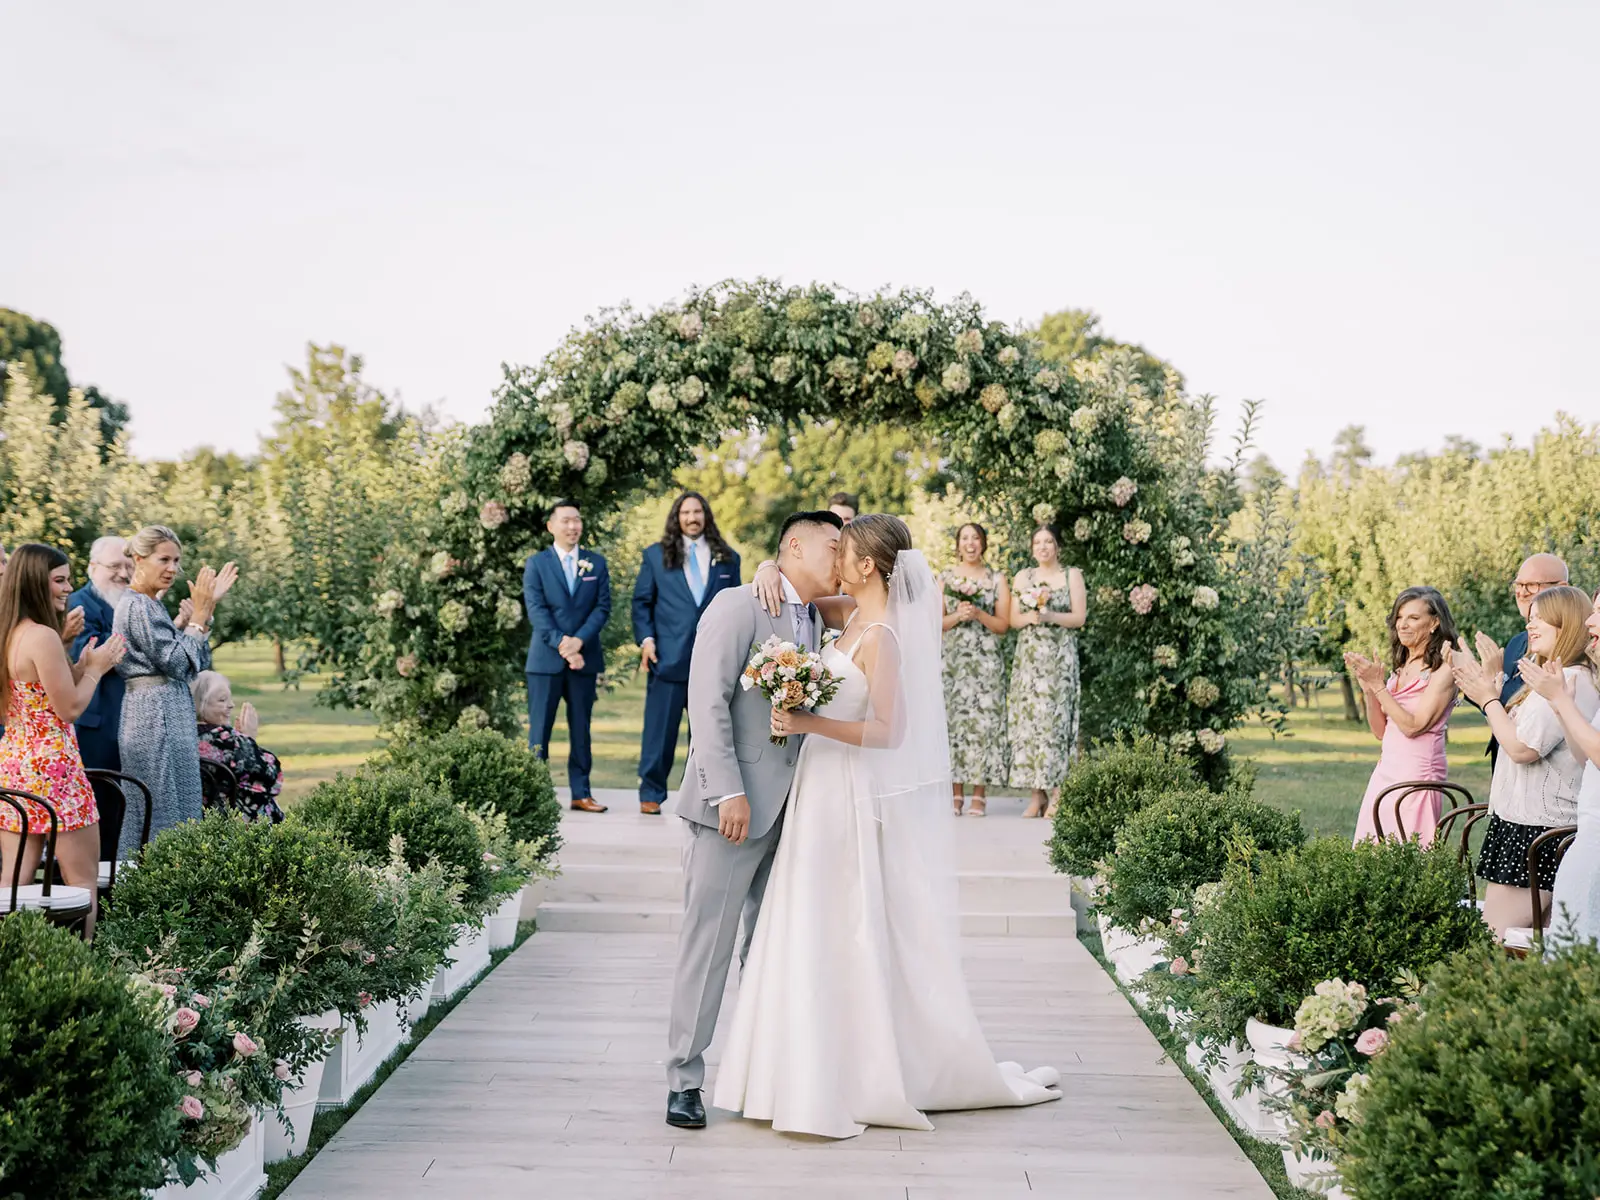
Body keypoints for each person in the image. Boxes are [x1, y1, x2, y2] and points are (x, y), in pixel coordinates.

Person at [713, 514, 1060, 1137]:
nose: (835, 560)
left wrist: (807, 723)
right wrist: (767, 565)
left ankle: (850, 1073)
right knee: (804, 920)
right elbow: (796, 583)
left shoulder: (885, 636)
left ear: (867, 565)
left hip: (846, 795)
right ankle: (787, 1069)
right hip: (815, 793)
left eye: (842, 551)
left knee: (844, 922)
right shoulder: (847, 619)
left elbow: (888, 732)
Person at [663, 509, 842, 1130]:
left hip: (796, 813)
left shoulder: (819, 617)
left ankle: (761, 1073)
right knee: (707, 947)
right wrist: (726, 792)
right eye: (831, 547)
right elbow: (705, 699)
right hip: (732, 811)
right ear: (794, 546)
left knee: (769, 949)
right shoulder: (739, 606)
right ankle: (684, 1078)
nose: (840, 559)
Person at [1453, 585, 1599, 937]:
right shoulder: (1551, 678)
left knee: (1495, 936)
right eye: (1530, 619)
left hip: (1538, 827)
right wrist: (1493, 685)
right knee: (1533, 940)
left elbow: (1522, 748)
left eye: (1541, 620)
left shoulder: (1573, 678)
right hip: (1523, 820)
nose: (1530, 627)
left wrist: (1487, 699)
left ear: (1567, 625)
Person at [0, 544, 127, 938]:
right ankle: (82, 971)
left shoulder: (9, 632)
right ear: (36, 581)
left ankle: (12, 961)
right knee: (82, 881)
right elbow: (69, 708)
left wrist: (79, 665)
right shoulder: (42, 636)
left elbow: (41, 692)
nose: (68, 588)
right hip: (56, 773)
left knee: (14, 880)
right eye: (59, 580)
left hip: (16, 768)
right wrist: (98, 669)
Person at [114, 525, 237, 856]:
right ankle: (153, 889)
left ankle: (175, 886)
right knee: (160, 805)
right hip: (153, 716)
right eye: (164, 559)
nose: (172, 568)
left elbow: (198, 662)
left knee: (177, 804)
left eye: (177, 561)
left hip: (168, 710)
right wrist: (198, 616)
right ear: (139, 558)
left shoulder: (152, 604)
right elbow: (178, 663)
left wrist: (202, 617)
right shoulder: (137, 605)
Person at [631, 492, 742, 815]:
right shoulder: (655, 556)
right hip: (667, 658)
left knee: (708, 732)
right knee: (659, 731)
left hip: (713, 662)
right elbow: (641, 603)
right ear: (676, 517)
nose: (692, 518)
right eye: (686, 512)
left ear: (706, 515)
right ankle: (651, 792)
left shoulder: (728, 558)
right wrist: (647, 640)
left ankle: (705, 794)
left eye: (697, 512)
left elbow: (735, 607)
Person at [1344, 586, 1460, 846]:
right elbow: (1381, 732)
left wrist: (1378, 687)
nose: (1403, 625)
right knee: (1372, 852)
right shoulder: (1401, 668)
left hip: (1418, 776)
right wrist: (1369, 689)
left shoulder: (1444, 670)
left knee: (1411, 855)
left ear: (1435, 623)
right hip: (1386, 773)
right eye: (1399, 617)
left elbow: (1413, 726)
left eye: (1413, 618)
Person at [1520, 588, 1600, 946]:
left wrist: (1560, 703)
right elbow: (1587, 759)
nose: (1590, 622)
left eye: (1599, 613)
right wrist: (1561, 706)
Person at [523, 500, 611, 813]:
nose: (572, 526)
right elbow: (536, 609)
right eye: (565, 520)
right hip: (545, 662)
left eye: (576, 519)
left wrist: (578, 643)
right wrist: (562, 644)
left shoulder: (596, 564)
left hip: (584, 659)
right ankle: (535, 796)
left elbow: (602, 608)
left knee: (581, 728)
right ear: (551, 526)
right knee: (539, 731)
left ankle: (581, 793)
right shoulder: (536, 564)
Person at [1006, 525, 1087, 818]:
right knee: (1030, 726)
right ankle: (1035, 795)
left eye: (1049, 541)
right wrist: (1031, 616)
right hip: (1029, 661)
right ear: (1032, 548)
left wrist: (1051, 615)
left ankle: (1058, 793)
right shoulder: (1023, 577)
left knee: (1056, 724)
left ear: (1057, 547)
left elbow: (1079, 618)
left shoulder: (1071, 575)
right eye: (1038, 542)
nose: (1043, 547)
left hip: (1059, 661)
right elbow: (1013, 619)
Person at [939, 522, 1011, 816]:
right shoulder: (944, 577)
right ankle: (955, 793)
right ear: (958, 545)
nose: (970, 543)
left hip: (986, 663)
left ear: (984, 543)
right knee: (954, 724)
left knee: (983, 726)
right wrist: (957, 615)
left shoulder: (997, 578)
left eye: (976, 538)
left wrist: (979, 613)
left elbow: (1003, 625)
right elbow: (934, 622)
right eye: (965, 538)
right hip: (954, 663)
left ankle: (979, 793)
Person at [1475, 553, 1569, 768]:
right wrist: (1489, 682)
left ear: (1562, 587)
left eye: (1532, 585)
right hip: (1505, 764)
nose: (1522, 592)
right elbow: (1504, 709)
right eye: (1518, 584)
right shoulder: (1516, 644)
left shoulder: (1570, 653)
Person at [68, 535, 133, 775]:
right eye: (115, 566)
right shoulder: (79, 604)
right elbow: (94, 654)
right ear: (92, 567)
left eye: (130, 566)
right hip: (98, 727)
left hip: (131, 724)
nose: (124, 574)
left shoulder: (130, 602)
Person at [191, 670, 284, 823]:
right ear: (200, 703)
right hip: (235, 826)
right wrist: (249, 739)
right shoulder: (229, 741)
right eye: (222, 700)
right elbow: (274, 780)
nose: (231, 705)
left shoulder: (185, 737)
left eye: (230, 699)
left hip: (198, 822)